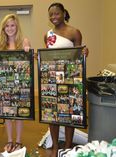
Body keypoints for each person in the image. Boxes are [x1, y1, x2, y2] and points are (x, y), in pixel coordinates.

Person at [44, 3, 89, 157]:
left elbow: (79, 54)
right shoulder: (48, 34)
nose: (53, 17)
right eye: (51, 15)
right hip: (52, 79)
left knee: (70, 113)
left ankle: (68, 146)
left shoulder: (74, 32)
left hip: (70, 78)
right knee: (52, 114)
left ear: (63, 13)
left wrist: (84, 53)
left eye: (56, 13)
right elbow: (48, 56)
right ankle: (56, 146)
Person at [0, 14, 31, 153]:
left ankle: (18, 141)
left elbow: (28, 57)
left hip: (20, 84)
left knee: (19, 114)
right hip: (5, 85)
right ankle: (9, 140)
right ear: (3, 28)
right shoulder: (0, 44)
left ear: (17, 26)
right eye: (7, 26)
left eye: (12, 25)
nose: (10, 28)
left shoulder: (24, 41)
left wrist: (27, 50)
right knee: (7, 114)